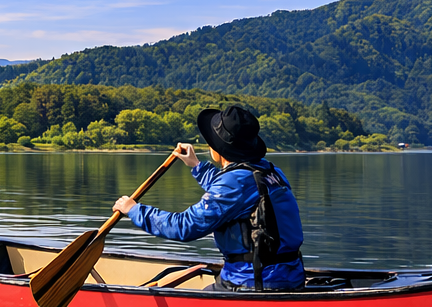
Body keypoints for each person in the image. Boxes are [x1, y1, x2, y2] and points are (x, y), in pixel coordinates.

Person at [112, 105, 305, 291]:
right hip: (291, 276)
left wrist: (134, 210)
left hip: (252, 281)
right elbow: (234, 194)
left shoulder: (234, 184)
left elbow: (184, 227)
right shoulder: (270, 171)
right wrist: (196, 165)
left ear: (216, 149)